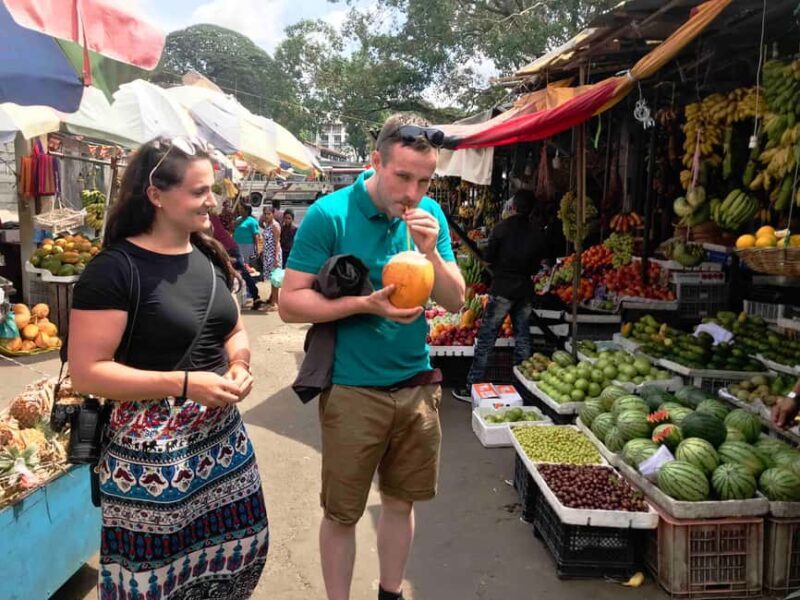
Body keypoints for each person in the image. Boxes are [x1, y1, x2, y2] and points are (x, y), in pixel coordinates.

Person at [67, 136, 269, 598]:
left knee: (236, 559)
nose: (212, 201)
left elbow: (233, 330)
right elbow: (87, 372)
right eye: (199, 192)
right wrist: (182, 384)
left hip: (223, 448)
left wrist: (239, 363)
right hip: (151, 461)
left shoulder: (210, 257)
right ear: (156, 195)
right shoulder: (114, 270)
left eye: (211, 190)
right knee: (155, 581)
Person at [280, 113, 465, 600]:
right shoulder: (330, 215)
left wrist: (432, 254)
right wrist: (364, 303)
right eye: (403, 177)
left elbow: (456, 300)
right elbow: (290, 302)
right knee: (343, 512)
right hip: (352, 389)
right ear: (375, 161)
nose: (413, 192)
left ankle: (390, 593)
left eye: (424, 180)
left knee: (401, 503)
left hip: (416, 385)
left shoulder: (431, 217)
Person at [453, 190, 547, 401]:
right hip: (524, 290)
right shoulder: (537, 232)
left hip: (502, 289)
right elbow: (537, 265)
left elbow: (488, 259)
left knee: (487, 338)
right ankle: (523, 388)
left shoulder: (501, 228)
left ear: (513, 207)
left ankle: (472, 385)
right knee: (523, 338)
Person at [210, 208, 265, 310]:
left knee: (238, 272)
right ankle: (255, 297)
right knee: (239, 272)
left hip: (228, 249)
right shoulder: (213, 218)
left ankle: (254, 298)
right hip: (230, 247)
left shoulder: (207, 220)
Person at [261, 206, 282, 309]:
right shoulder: (267, 224)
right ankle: (272, 299)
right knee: (271, 278)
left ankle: (275, 302)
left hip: (274, 254)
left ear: (273, 214)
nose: (266, 216)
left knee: (275, 279)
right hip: (267, 254)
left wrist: (276, 258)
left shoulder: (275, 225)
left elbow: (277, 243)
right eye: (265, 214)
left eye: (268, 214)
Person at [233, 204, 261, 274]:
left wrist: (257, 248)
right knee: (239, 262)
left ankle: (248, 278)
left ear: (247, 210)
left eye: (242, 209)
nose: (240, 210)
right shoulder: (238, 219)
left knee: (246, 264)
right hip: (237, 244)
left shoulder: (252, 221)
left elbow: (256, 235)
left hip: (247, 245)